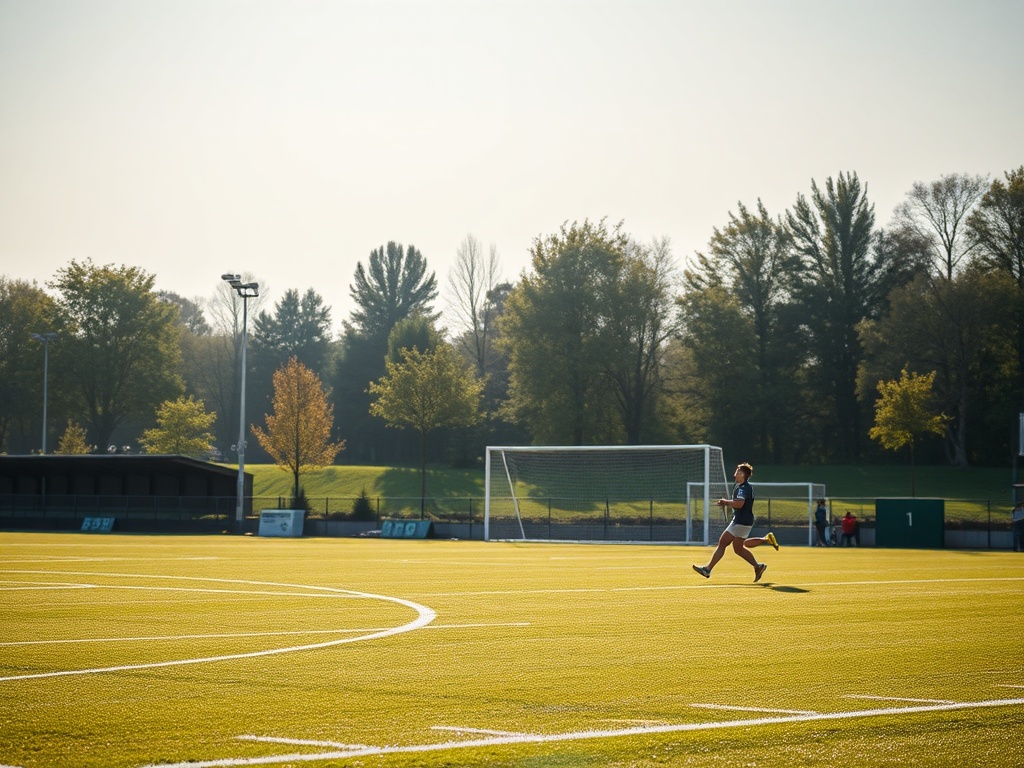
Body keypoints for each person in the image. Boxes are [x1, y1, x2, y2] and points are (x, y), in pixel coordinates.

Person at [693, 462, 778, 583]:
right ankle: (758, 566)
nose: (736, 472)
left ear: (743, 474)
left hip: (740, 521)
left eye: (738, 471)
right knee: (738, 549)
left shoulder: (743, 488)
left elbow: (739, 503)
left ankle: (707, 569)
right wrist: (726, 503)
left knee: (722, 543)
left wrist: (726, 502)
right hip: (744, 521)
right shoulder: (743, 486)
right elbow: (738, 504)